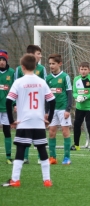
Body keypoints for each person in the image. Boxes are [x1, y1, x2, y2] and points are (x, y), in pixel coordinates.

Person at [1, 53, 55, 187]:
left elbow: (8, 101)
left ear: (22, 67)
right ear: (35, 66)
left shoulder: (19, 82)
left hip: (24, 122)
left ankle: (15, 179)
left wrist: (11, 120)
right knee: (42, 149)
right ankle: (47, 180)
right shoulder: (41, 82)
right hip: (38, 121)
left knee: (20, 149)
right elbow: (52, 100)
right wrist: (50, 119)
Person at [15, 45, 47, 164]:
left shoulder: (42, 69)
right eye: (38, 53)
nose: (40, 56)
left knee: (40, 131)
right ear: (32, 55)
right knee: (24, 131)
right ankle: (24, 157)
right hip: (23, 107)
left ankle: (41, 157)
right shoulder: (19, 69)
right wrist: (14, 103)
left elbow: (45, 88)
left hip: (38, 107)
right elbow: (15, 87)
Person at [45, 53, 72, 165]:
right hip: (52, 110)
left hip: (62, 109)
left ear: (59, 64)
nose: (51, 66)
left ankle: (66, 158)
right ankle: (52, 157)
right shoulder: (48, 78)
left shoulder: (65, 77)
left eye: (53, 63)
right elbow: (45, 97)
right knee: (51, 133)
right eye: (50, 63)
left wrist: (68, 109)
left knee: (65, 132)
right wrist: (46, 112)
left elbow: (69, 94)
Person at [70, 62, 90, 152]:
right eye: (82, 69)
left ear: (89, 70)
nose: (83, 71)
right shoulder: (76, 79)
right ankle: (76, 145)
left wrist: (86, 97)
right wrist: (76, 97)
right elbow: (74, 91)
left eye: (85, 69)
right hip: (79, 107)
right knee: (77, 125)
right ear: (79, 70)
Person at [0, 50, 15, 164]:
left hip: (6, 107)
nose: (1, 62)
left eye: (3, 60)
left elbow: (15, 90)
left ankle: (8, 157)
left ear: (6, 60)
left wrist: (14, 104)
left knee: (7, 131)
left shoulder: (12, 73)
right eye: (0, 60)